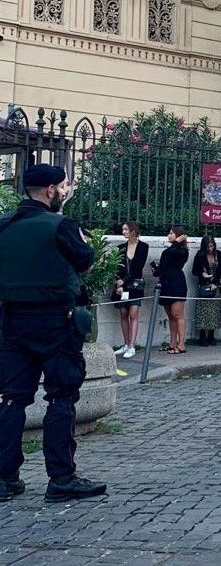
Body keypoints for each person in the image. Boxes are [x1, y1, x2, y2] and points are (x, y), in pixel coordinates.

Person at [0, 164, 107, 503]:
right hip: (56, 323)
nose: (63, 192)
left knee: (11, 399)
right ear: (50, 191)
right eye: (62, 186)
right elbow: (86, 261)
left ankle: (4, 479)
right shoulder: (61, 226)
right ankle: (61, 478)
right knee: (61, 397)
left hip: (12, 321)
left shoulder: (3, 226)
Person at [113, 221, 149, 359]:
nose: (123, 232)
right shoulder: (121, 247)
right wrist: (119, 284)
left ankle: (132, 345)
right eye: (123, 229)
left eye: (126, 229)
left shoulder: (143, 247)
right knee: (123, 313)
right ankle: (126, 344)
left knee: (133, 313)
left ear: (133, 231)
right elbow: (118, 266)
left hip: (135, 284)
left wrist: (124, 281)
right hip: (123, 286)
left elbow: (138, 268)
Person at [154, 226, 189, 354]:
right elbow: (163, 264)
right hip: (166, 283)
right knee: (170, 315)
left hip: (176, 283)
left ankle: (181, 344)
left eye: (171, 234)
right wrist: (156, 270)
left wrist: (177, 243)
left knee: (177, 314)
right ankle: (172, 342)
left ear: (178, 236)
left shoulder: (182, 250)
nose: (169, 236)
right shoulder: (168, 250)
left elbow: (176, 255)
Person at [191, 234, 221, 346]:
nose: (211, 249)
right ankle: (202, 336)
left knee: (214, 311)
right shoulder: (200, 255)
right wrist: (202, 274)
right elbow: (194, 270)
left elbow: (220, 270)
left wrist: (215, 283)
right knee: (203, 311)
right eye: (209, 246)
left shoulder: (218, 254)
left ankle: (211, 335)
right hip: (204, 286)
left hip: (215, 286)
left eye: (212, 246)